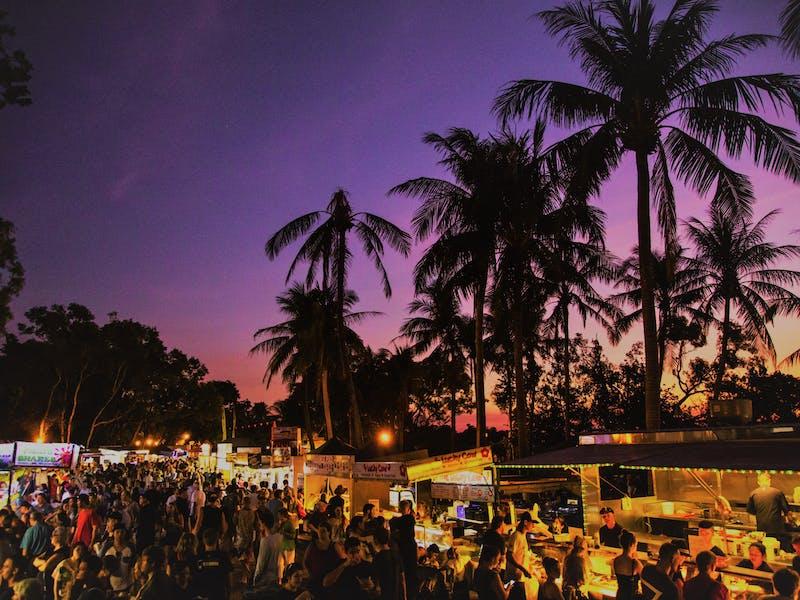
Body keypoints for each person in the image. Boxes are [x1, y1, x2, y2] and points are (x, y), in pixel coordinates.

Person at [304, 521, 345, 597]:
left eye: (323, 531)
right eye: (319, 531)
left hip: (329, 582)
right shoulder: (313, 545)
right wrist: (309, 572)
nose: (320, 533)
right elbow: (305, 560)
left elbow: (342, 561)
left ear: (329, 532)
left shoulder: (334, 546)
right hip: (315, 580)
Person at [193, 528, 233, 600]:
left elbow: (195, 579)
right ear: (216, 540)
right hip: (219, 594)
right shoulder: (223, 557)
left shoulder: (198, 558)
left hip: (203, 595)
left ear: (203, 541)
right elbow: (229, 580)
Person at [390, 500, 417, 600]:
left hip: (404, 550)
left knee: (405, 574)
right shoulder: (409, 518)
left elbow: (392, 522)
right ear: (408, 509)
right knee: (410, 574)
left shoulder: (407, 519)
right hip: (408, 550)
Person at [372, 526, 404, 600]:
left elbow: (375, 580)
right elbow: (402, 579)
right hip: (396, 595)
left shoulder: (377, 558)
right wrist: (404, 596)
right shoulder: (397, 555)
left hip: (384, 595)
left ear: (376, 540)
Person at [253, 509, 283, 588]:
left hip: (265, 580)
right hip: (276, 577)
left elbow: (261, 565)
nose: (257, 524)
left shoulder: (265, 541)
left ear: (263, 523)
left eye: (259, 521)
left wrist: (255, 579)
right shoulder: (280, 538)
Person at [613, 529, 642, 600]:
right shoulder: (635, 563)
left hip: (620, 595)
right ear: (632, 545)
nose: (636, 548)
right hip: (631, 597)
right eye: (636, 545)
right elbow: (645, 578)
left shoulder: (616, 560)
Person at [504, 512, 534, 582]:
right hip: (513, 578)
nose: (533, 525)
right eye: (531, 523)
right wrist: (523, 569)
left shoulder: (523, 536)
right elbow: (509, 556)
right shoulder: (516, 536)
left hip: (520, 577)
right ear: (526, 522)